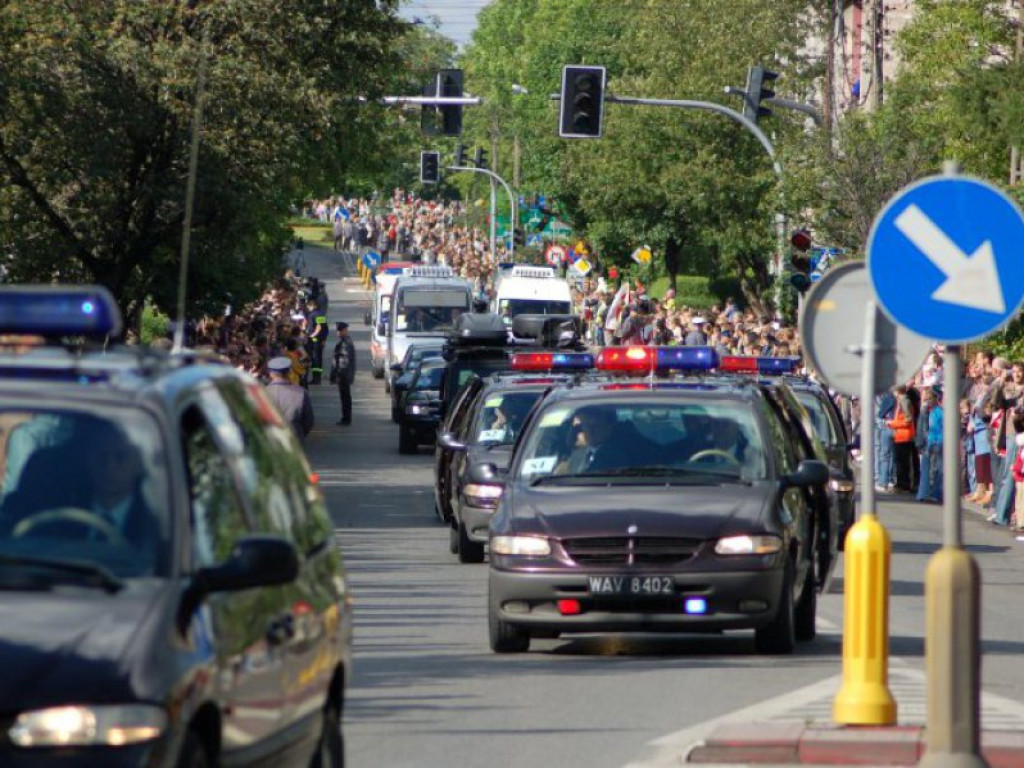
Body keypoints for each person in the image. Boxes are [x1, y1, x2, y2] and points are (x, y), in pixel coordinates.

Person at [265, 356, 315, 443]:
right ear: (289, 372)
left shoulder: (261, 392)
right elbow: (308, 421)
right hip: (294, 438)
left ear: (270, 373)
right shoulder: (301, 393)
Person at [333, 321, 356, 426]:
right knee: (345, 397)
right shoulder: (345, 341)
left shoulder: (345, 343)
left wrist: (338, 374)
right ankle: (346, 418)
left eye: (339, 331)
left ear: (344, 331)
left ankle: (346, 419)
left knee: (345, 398)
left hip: (344, 375)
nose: (337, 332)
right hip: (345, 374)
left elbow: (344, 361)